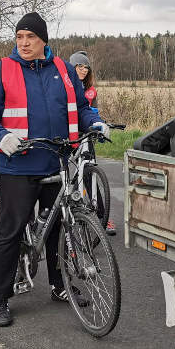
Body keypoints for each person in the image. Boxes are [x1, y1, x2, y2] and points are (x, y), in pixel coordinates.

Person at [0, 12, 109, 327]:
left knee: (59, 228)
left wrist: (94, 122)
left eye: (30, 37)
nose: (23, 43)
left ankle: (59, 285)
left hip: (57, 162)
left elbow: (81, 107)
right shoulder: (0, 71)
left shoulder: (62, 69)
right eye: (19, 37)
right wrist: (0, 136)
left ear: (43, 40)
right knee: (10, 231)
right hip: (18, 165)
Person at [67, 50, 116, 235]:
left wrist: (99, 124)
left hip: (85, 134)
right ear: (72, 67)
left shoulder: (90, 90)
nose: (84, 70)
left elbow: (92, 112)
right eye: (80, 66)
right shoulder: (65, 86)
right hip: (68, 134)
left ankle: (102, 217)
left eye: (86, 67)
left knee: (90, 174)